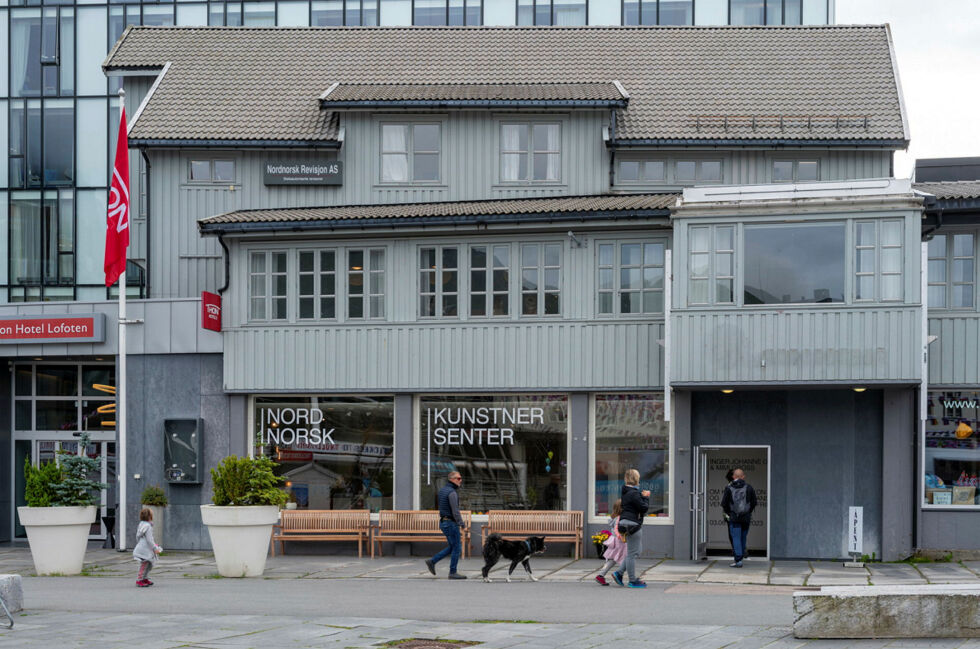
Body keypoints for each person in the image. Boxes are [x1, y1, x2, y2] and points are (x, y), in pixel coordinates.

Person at [425, 471, 467, 579]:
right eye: (458, 478)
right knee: (457, 548)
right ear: (452, 479)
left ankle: (432, 561)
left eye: (460, 478)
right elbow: (455, 511)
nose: (460, 480)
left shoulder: (443, 490)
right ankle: (452, 572)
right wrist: (462, 524)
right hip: (450, 523)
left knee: (453, 547)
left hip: (444, 522)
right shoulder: (452, 492)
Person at [612, 469, 650, 588]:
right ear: (636, 479)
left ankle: (618, 573)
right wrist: (646, 497)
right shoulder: (633, 493)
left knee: (635, 551)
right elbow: (643, 508)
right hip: (632, 524)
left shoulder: (626, 492)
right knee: (632, 554)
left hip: (625, 523)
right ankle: (632, 580)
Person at [721, 468, 757, 568]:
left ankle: (738, 560)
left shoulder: (729, 488)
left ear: (733, 477)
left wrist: (730, 513)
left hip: (734, 517)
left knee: (735, 537)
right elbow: (754, 502)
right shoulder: (749, 487)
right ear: (743, 476)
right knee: (743, 537)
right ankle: (741, 555)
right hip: (746, 518)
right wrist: (748, 512)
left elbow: (724, 504)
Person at [595, 499, 627, 585]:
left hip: (614, 541)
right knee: (626, 558)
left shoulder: (614, 517)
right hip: (620, 541)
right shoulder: (620, 518)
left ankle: (601, 575)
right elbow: (620, 530)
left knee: (612, 559)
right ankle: (620, 575)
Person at [133, 507, 162, 587]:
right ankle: (139, 579)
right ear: (149, 517)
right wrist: (155, 548)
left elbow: (138, 536)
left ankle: (144, 578)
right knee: (145, 564)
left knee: (149, 564)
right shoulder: (148, 527)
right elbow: (150, 539)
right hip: (145, 549)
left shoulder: (141, 525)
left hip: (143, 547)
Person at [724, 468, 735, 556]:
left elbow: (724, 502)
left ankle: (735, 549)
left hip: (731, 514)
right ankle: (742, 548)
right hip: (742, 514)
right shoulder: (745, 486)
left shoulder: (728, 487)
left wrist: (726, 514)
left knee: (732, 532)